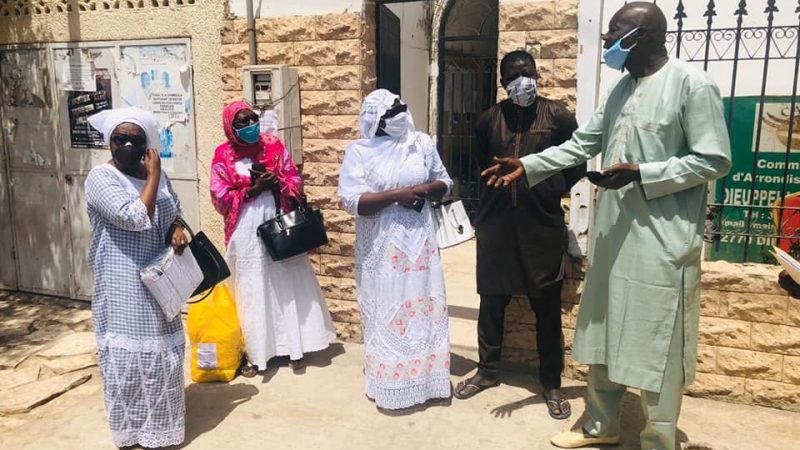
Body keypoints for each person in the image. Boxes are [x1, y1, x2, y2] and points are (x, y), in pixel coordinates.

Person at [481, 3, 731, 449]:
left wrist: (643, 173)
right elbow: (582, 143)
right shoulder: (621, 89)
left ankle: (659, 438)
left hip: (661, 240)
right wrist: (528, 162)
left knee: (657, 341)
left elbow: (713, 159)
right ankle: (601, 424)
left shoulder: (692, 84)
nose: (606, 41)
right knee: (602, 330)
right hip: (615, 233)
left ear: (642, 37)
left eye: (615, 33)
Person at [454, 50, 585, 421]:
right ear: (502, 81)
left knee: (545, 305)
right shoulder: (487, 120)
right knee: (492, 300)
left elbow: (577, 164)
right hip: (496, 225)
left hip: (540, 226)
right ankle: (487, 370)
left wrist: (545, 190)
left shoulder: (557, 115)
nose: (522, 80)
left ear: (537, 74)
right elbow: (483, 164)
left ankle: (551, 381)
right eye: (513, 75)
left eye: (527, 72)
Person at [338, 89, 453, 411]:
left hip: (420, 245)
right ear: (377, 121)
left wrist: (426, 190)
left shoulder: (421, 144)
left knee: (423, 307)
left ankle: (430, 380)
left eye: (402, 107)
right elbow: (352, 201)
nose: (401, 114)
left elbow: (445, 182)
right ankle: (389, 382)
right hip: (381, 248)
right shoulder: (360, 152)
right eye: (392, 112)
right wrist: (396, 195)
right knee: (388, 310)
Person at [85, 107, 188, 449]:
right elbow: (132, 217)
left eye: (135, 139)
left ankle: (160, 429)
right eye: (120, 139)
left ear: (147, 142)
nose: (127, 145)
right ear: (108, 142)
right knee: (130, 362)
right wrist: (153, 175)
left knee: (164, 354)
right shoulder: (101, 178)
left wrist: (176, 229)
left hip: (161, 281)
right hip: (123, 284)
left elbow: (174, 211)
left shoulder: (158, 175)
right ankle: (132, 434)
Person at [210, 100, 336, 377]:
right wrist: (252, 189)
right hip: (246, 225)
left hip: (280, 222)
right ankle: (256, 353)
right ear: (231, 127)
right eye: (242, 122)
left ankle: (294, 348)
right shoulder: (223, 155)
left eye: (252, 118)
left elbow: (294, 178)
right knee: (252, 286)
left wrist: (276, 181)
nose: (249, 125)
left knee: (285, 282)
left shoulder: (273, 146)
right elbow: (218, 197)